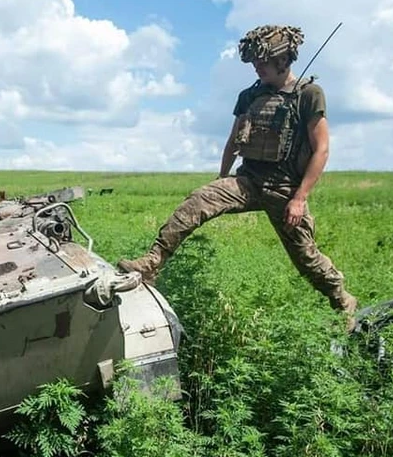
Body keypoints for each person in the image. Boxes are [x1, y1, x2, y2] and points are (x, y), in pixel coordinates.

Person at [117, 24, 359, 330]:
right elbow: (233, 141)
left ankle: (342, 299)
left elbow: (321, 149)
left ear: (283, 60)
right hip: (248, 181)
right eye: (254, 62)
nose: (257, 68)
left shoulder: (308, 94)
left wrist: (299, 198)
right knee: (197, 201)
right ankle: (152, 263)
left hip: (285, 189)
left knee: (306, 259)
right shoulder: (249, 96)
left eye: (263, 62)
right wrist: (220, 180)